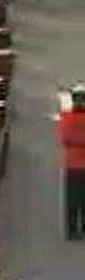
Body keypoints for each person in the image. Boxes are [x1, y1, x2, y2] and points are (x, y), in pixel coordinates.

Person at [56, 83, 85, 240]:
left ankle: (72, 229)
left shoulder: (67, 118)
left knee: (72, 199)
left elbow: (64, 138)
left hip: (72, 163)